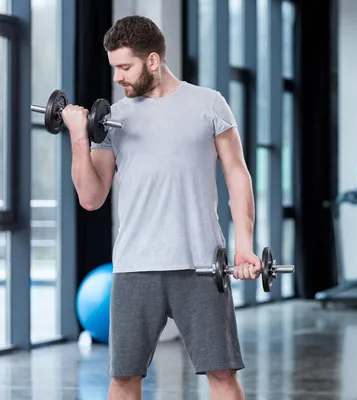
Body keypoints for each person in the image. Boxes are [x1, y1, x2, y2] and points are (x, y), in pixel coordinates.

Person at [62, 15, 259, 400]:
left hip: (201, 263)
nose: (118, 77)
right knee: (123, 378)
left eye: (124, 67)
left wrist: (245, 245)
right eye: (114, 68)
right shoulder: (114, 119)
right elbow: (91, 197)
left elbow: (239, 176)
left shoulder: (209, 103)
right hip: (135, 266)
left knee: (221, 373)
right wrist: (78, 138)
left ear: (152, 61)